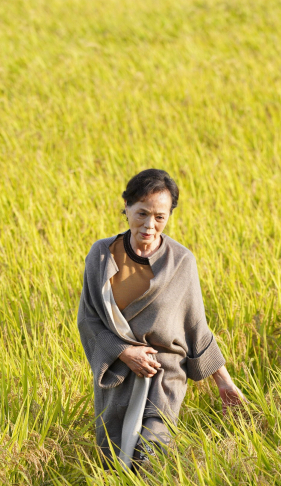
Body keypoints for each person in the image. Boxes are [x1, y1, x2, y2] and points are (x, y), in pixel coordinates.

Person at [77, 168, 243, 468]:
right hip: (118, 376)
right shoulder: (101, 255)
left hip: (164, 376)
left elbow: (197, 329)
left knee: (152, 457)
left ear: (169, 216)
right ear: (126, 207)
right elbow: (88, 320)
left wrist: (225, 383)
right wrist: (125, 352)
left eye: (159, 217)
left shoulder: (181, 261)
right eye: (141, 213)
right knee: (113, 463)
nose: (149, 225)